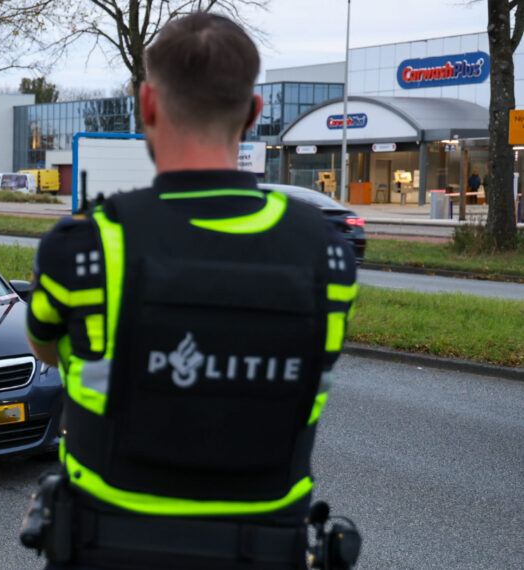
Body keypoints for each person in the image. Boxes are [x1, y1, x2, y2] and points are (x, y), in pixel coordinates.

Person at [22, 12, 358, 569]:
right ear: (253, 113)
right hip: (267, 551)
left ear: (147, 104)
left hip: (109, 549)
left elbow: (45, 348)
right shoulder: (329, 256)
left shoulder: (81, 249)